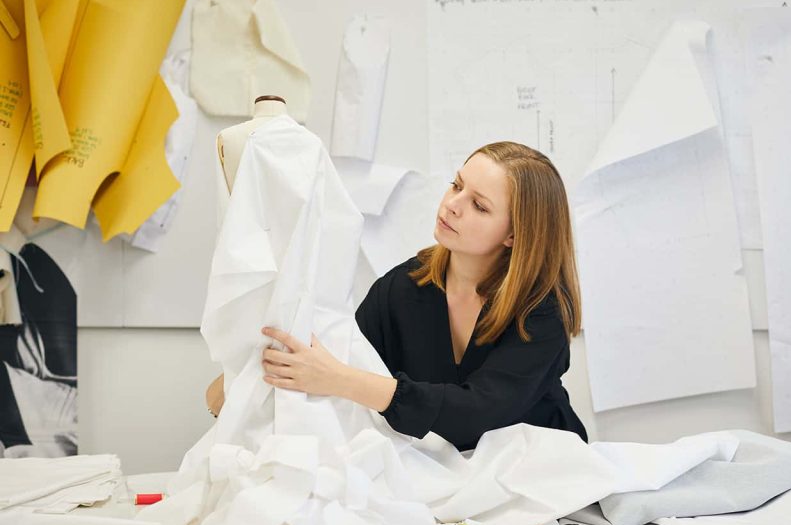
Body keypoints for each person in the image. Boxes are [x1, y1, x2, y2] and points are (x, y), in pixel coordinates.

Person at [211, 141, 588, 451]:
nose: (452, 205)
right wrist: (245, 376)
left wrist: (338, 379)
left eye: (479, 205)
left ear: (514, 235)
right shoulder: (404, 288)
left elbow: (475, 415)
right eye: (457, 186)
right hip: (442, 478)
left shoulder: (541, 314)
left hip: (540, 478)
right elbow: (337, 356)